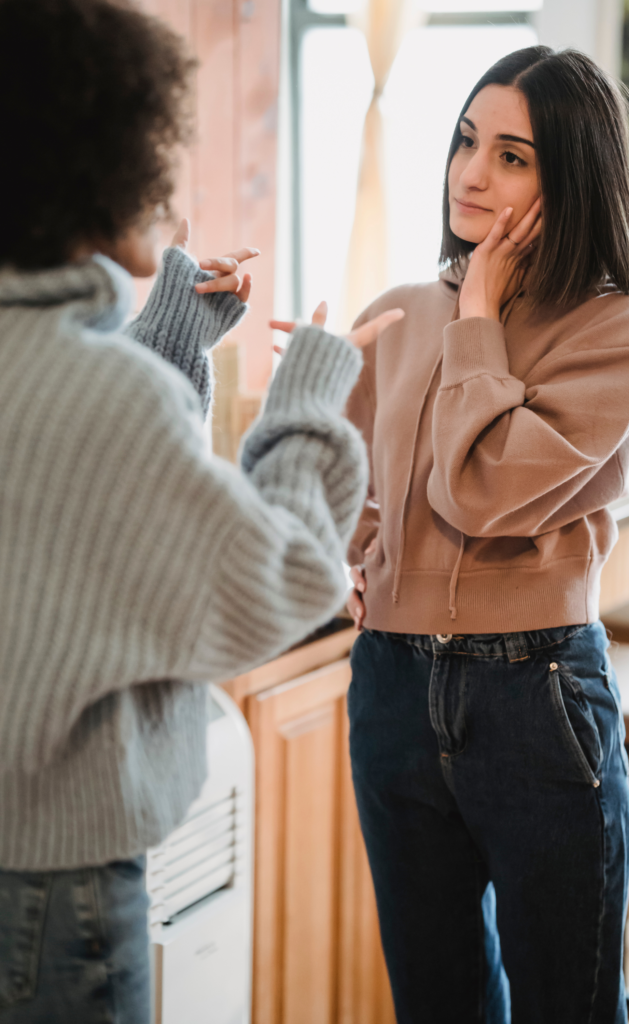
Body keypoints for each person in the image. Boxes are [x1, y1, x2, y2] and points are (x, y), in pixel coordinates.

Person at [0, 1, 402, 1021]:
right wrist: (311, 391)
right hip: (56, 889)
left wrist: (176, 326)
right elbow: (287, 581)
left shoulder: (46, 363)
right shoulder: (100, 395)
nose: (174, 193)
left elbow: (67, 454)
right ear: (97, 160)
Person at [345, 45, 629, 1024]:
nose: (471, 173)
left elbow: (481, 491)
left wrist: (476, 312)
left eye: (513, 156)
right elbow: (352, 487)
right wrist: (357, 562)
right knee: (436, 1005)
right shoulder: (396, 313)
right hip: (392, 691)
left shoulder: (617, 329)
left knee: (566, 1005)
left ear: (570, 176)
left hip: (538, 699)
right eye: (467, 143)